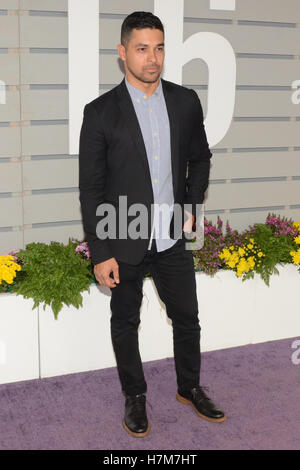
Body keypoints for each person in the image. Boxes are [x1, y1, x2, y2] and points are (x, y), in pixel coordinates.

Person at [79, 11, 226, 438]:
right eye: (142, 48)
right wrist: (101, 251)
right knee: (125, 321)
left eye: (159, 48)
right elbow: (91, 190)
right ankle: (135, 396)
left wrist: (192, 201)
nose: (153, 58)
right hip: (123, 235)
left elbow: (200, 158)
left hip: (172, 236)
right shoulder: (101, 112)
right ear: (123, 52)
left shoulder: (184, 102)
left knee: (188, 317)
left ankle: (190, 387)